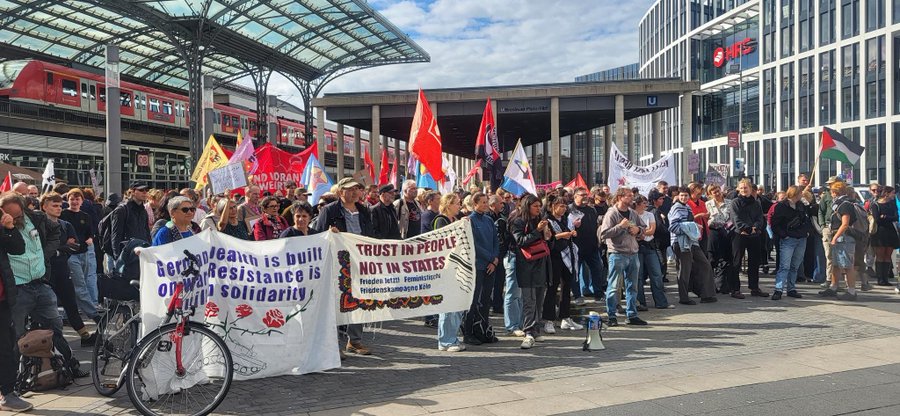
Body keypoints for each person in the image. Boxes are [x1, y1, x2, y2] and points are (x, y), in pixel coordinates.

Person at [2, 192, 87, 381]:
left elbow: (56, 230)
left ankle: (69, 366)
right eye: (11, 216)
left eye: (18, 216)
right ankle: (12, 379)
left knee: (55, 328)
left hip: (40, 284)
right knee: (14, 334)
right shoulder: (4, 225)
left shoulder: (36, 218)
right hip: (17, 287)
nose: (16, 220)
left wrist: (46, 253)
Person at [313, 178, 374, 356]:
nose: (355, 192)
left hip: (360, 262)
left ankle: (354, 341)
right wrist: (329, 234)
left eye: (357, 189)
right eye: (350, 189)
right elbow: (318, 235)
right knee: (336, 302)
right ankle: (332, 343)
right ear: (340, 192)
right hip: (338, 264)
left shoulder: (364, 210)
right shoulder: (329, 211)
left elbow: (370, 235)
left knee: (358, 301)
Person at [41, 193, 96, 346]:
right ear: (44, 206)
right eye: (54, 205)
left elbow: (75, 246)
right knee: (49, 307)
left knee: (70, 303)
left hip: (63, 269)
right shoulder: (40, 225)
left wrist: (61, 248)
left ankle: (84, 335)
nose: (58, 209)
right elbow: (42, 249)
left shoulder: (65, 225)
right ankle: (49, 340)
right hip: (44, 272)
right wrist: (62, 247)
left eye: (60, 206)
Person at [598, 188, 648, 326]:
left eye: (632, 196)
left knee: (632, 286)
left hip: (633, 253)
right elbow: (604, 234)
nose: (632, 198)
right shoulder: (611, 213)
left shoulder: (632, 213)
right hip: (617, 254)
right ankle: (611, 316)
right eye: (629, 196)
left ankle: (632, 315)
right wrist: (620, 226)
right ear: (620, 197)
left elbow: (643, 228)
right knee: (614, 286)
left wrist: (638, 230)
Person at [0, 193, 30, 411]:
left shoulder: (4, 223)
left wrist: (10, 229)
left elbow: (18, 249)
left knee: (6, 346)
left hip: (2, 298)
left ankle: (7, 392)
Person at [509, 195, 551, 349]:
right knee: (529, 301)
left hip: (541, 264)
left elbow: (547, 241)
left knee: (539, 299)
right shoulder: (519, 221)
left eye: (539, 206)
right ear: (527, 206)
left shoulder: (541, 219)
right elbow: (520, 241)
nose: (538, 209)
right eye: (535, 206)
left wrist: (547, 233)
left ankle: (537, 328)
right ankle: (528, 331)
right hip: (526, 265)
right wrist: (536, 230)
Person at [669, 188, 718, 305]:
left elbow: (687, 223)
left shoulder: (687, 207)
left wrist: (694, 226)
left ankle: (707, 294)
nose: (684, 198)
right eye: (681, 195)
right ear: (678, 196)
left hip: (692, 242)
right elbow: (673, 227)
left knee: (705, 265)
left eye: (686, 195)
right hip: (681, 243)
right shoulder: (676, 207)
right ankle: (684, 297)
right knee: (684, 270)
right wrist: (691, 226)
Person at [463, 192, 500, 345]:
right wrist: (491, 258)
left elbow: (495, 241)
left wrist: (495, 260)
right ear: (475, 204)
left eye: (487, 202)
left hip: (491, 265)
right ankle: (468, 332)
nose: (486, 205)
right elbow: (473, 245)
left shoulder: (489, 220)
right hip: (477, 265)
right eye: (483, 202)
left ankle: (483, 330)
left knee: (485, 300)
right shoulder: (470, 220)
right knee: (474, 301)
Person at [543, 195, 584, 331]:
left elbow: (569, 231)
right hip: (555, 257)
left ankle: (566, 317)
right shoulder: (548, 221)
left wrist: (572, 233)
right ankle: (548, 320)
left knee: (567, 287)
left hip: (567, 256)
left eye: (565, 206)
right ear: (553, 207)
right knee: (552, 288)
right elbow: (547, 238)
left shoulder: (566, 219)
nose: (563, 208)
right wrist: (561, 235)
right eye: (560, 206)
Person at [59, 188, 100, 325]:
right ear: (68, 200)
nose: (75, 202)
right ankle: (93, 314)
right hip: (71, 255)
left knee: (81, 283)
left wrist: (90, 238)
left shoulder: (85, 216)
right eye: (72, 199)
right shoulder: (63, 215)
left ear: (82, 201)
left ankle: (69, 312)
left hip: (84, 253)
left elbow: (90, 231)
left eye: (77, 199)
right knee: (80, 285)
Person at [728, 179, 769, 299]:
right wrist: (746, 229)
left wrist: (755, 227)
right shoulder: (735, 202)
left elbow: (760, 218)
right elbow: (736, 219)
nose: (744, 190)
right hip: (739, 234)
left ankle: (754, 287)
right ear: (738, 190)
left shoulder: (756, 203)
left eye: (746, 188)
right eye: (741, 188)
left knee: (754, 262)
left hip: (754, 235)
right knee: (736, 262)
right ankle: (735, 289)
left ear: (751, 189)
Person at [819, 182, 859, 300]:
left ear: (835, 192)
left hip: (844, 238)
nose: (830, 194)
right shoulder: (838, 204)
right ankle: (833, 287)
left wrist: (835, 237)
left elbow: (845, 223)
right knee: (836, 264)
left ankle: (851, 291)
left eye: (831, 191)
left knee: (847, 265)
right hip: (838, 236)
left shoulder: (845, 204)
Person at [770, 186, 811, 300]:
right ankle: (778, 289)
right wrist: (784, 235)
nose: (801, 195)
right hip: (788, 238)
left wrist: (806, 231)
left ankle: (791, 288)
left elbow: (806, 219)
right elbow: (774, 223)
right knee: (785, 266)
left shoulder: (801, 205)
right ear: (795, 194)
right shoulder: (781, 206)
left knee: (795, 265)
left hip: (801, 238)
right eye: (800, 193)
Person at [633, 195, 671, 309]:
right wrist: (642, 232)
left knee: (656, 274)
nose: (646, 205)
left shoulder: (649, 214)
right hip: (637, 247)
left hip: (650, 246)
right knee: (638, 276)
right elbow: (631, 230)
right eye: (644, 203)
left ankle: (661, 302)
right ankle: (640, 303)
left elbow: (652, 230)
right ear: (638, 204)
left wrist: (640, 232)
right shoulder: (632, 215)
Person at [569, 186, 603, 305]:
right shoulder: (570, 210)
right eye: (582, 195)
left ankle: (598, 294)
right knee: (575, 272)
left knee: (597, 270)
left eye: (586, 195)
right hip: (576, 247)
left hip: (592, 246)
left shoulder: (591, 210)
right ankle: (578, 295)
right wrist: (572, 226)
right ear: (575, 196)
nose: (585, 197)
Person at [109, 182, 151, 277]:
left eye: (146, 190)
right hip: (127, 255)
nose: (144, 192)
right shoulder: (122, 210)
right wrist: (118, 258)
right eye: (141, 190)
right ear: (132, 192)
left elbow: (146, 232)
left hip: (142, 253)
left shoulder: (143, 211)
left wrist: (149, 249)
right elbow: (115, 235)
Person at [869, 186, 899, 286]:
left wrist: (885, 217)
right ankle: (880, 279)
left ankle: (886, 279)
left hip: (890, 231)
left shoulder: (892, 204)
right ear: (886, 193)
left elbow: (896, 217)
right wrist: (886, 218)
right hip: (879, 232)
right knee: (880, 255)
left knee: (888, 255)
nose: (894, 195)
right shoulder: (875, 204)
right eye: (892, 193)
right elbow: (877, 219)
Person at [705, 184, 733, 292]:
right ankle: (711, 284)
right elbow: (706, 218)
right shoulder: (707, 204)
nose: (717, 193)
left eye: (718, 191)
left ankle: (722, 284)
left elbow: (731, 218)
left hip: (726, 231)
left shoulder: (729, 203)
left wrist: (727, 226)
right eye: (714, 192)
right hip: (713, 232)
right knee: (712, 258)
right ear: (710, 194)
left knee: (725, 258)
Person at [818, 176, 843, 288]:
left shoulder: (844, 197)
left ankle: (839, 280)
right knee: (829, 255)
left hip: (841, 228)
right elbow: (821, 211)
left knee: (841, 255)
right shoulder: (826, 195)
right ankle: (829, 278)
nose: (829, 186)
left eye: (832, 183)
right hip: (828, 227)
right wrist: (823, 225)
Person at [686, 183, 710, 255]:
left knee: (704, 251)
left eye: (700, 194)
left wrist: (707, 215)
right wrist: (699, 215)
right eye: (698, 194)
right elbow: (687, 218)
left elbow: (706, 214)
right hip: (694, 231)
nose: (699, 195)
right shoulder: (687, 203)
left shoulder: (702, 203)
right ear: (691, 192)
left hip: (704, 230)